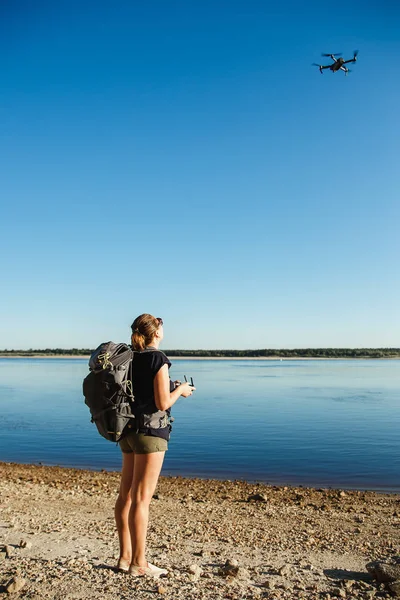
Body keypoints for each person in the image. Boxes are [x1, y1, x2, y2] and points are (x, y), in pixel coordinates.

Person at [114, 313, 195, 578]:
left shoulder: (130, 358)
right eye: (161, 326)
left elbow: (142, 392)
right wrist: (181, 390)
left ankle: (124, 558)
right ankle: (140, 563)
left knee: (125, 495)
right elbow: (162, 403)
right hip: (151, 433)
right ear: (156, 333)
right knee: (141, 499)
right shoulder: (158, 358)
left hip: (127, 431)